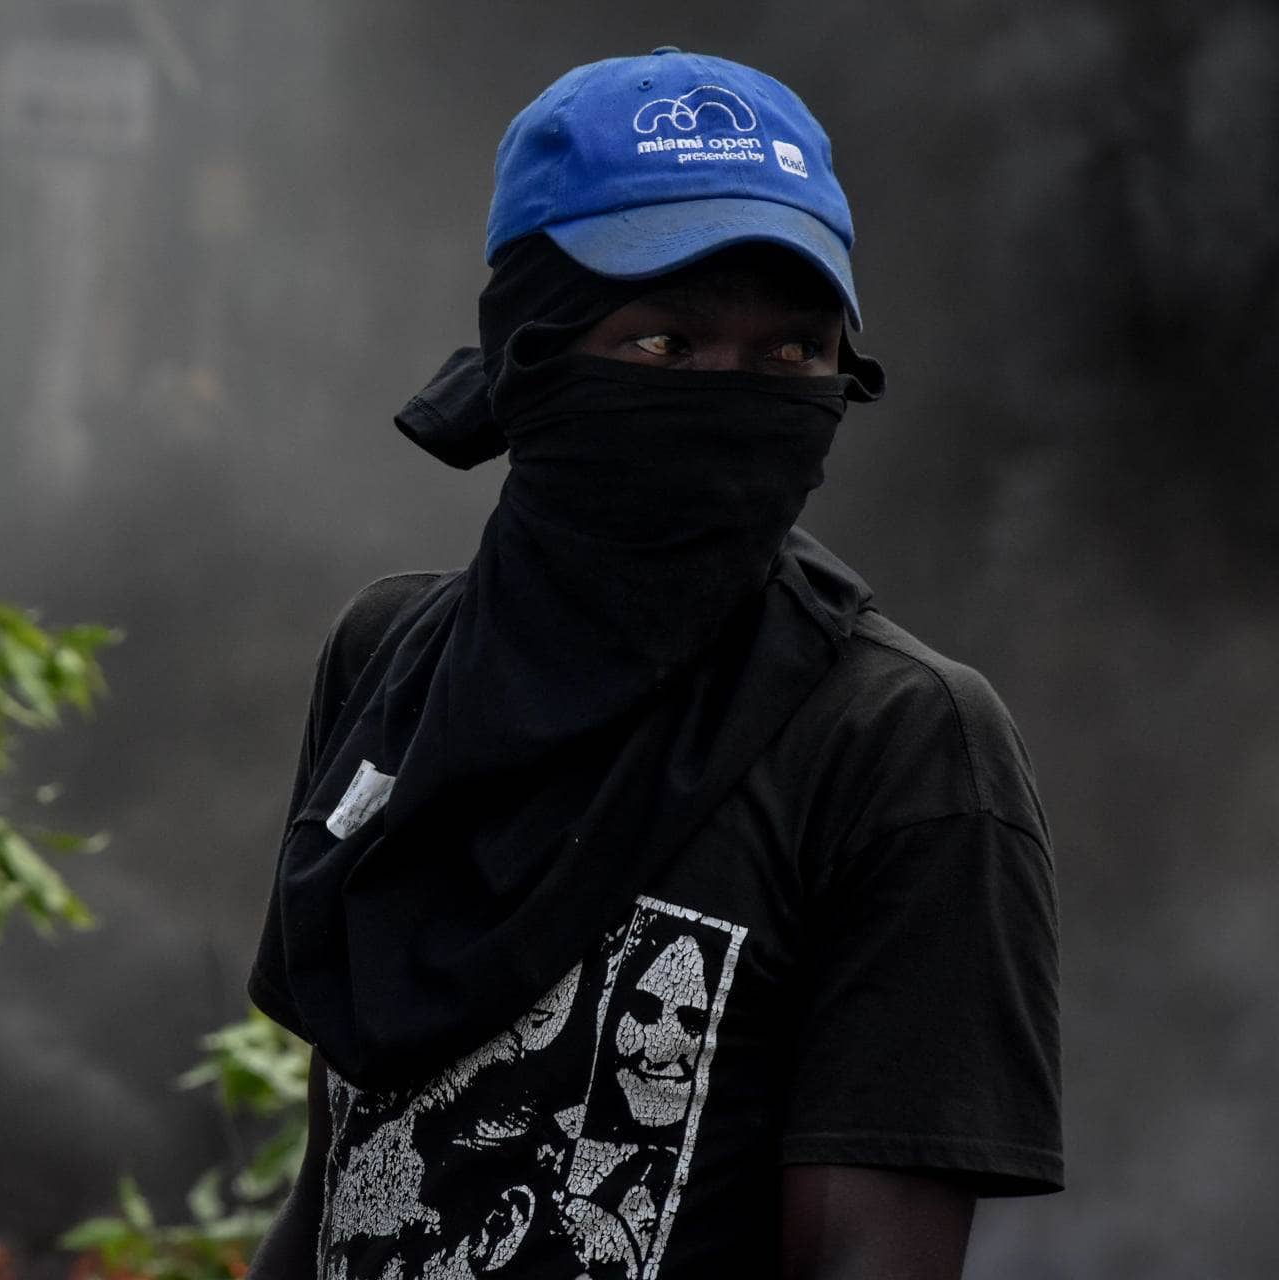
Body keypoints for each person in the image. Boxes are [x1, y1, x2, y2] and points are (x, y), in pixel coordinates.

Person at [246, 49, 1062, 1280]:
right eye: (667, 344)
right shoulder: (389, 666)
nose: (734, 396)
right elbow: (339, 1183)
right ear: (528, 351)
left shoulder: (898, 746)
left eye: (793, 355)